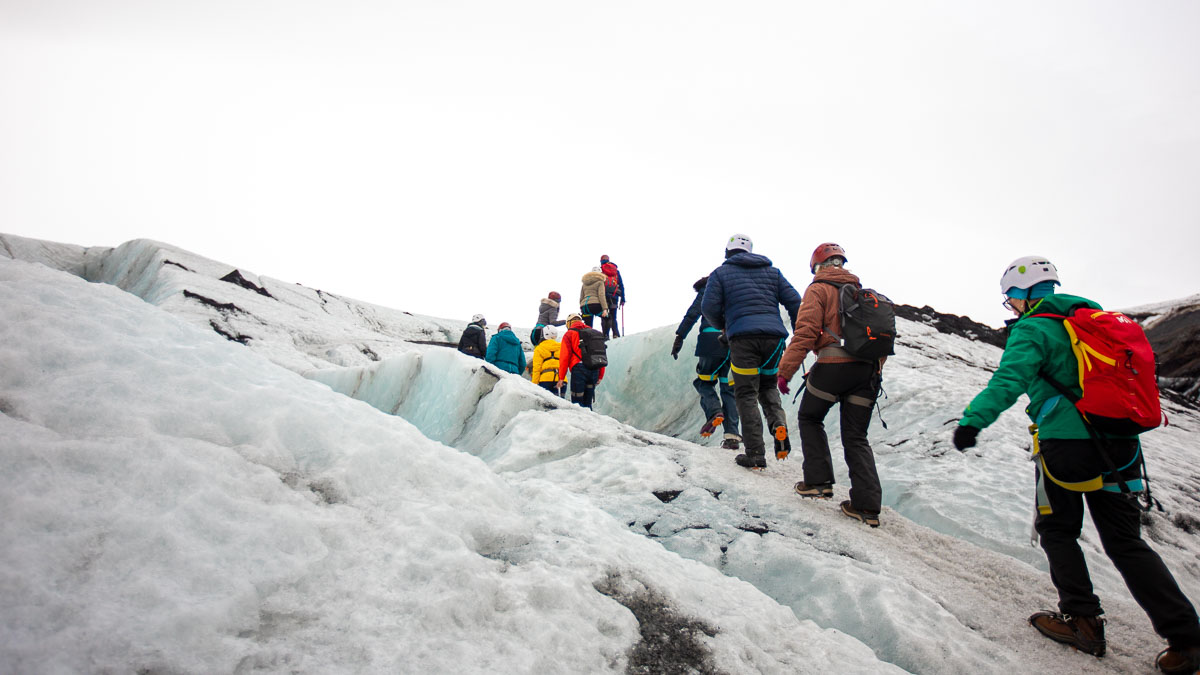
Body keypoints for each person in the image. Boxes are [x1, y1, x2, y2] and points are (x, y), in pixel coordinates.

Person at [952, 255, 1200, 672]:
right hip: (1121, 445)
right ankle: (1188, 638)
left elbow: (1008, 380)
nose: (1010, 306)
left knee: (1057, 528)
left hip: (1068, 445)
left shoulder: (1034, 328)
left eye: (1010, 298)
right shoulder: (1096, 322)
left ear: (1024, 294)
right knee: (1125, 542)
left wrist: (973, 421)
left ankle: (1083, 621)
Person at [777, 243, 884, 527]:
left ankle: (818, 482)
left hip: (833, 368)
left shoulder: (818, 289)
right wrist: (875, 373)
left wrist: (785, 372)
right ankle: (867, 507)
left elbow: (806, 333)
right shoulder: (865, 295)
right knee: (856, 436)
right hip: (867, 373)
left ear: (817, 267)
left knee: (810, 417)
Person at [701, 234, 801, 470]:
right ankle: (778, 426)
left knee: (746, 393)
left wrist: (724, 325)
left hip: (743, 339)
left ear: (728, 252)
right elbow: (795, 301)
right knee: (768, 385)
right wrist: (797, 329)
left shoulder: (720, 273)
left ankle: (755, 454)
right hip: (774, 339)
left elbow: (708, 307)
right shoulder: (773, 272)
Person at [673, 275, 741, 450]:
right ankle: (732, 436)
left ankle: (714, 412)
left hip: (710, 341)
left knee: (704, 381)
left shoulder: (707, 290)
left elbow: (693, 313)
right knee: (729, 388)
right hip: (733, 343)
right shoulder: (734, 290)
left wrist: (680, 337)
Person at [558, 313, 605, 409]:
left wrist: (561, 377)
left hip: (578, 369)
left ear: (569, 323)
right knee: (588, 403)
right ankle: (591, 423)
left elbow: (564, 357)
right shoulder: (594, 333)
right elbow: (600, 354)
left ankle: (578, 423)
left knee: (577, 403)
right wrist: (600, 375)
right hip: (594, 369)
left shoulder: (569, 334)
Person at [530, 325, 562, 395]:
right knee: (560, 403)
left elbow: (537, 368)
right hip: (561, 380)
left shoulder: (539, 348)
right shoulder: (562, 347)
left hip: (546, 379)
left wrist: (534, 384)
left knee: (545, 404)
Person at [600, 255, 625, 338]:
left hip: (604, 296)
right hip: (614, 296)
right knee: (613, 316)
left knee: (604, 316)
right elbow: (621, 284)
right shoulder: (615, 271)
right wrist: (623, 298)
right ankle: (615, 334)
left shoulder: (601, 270)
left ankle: (605, 335)